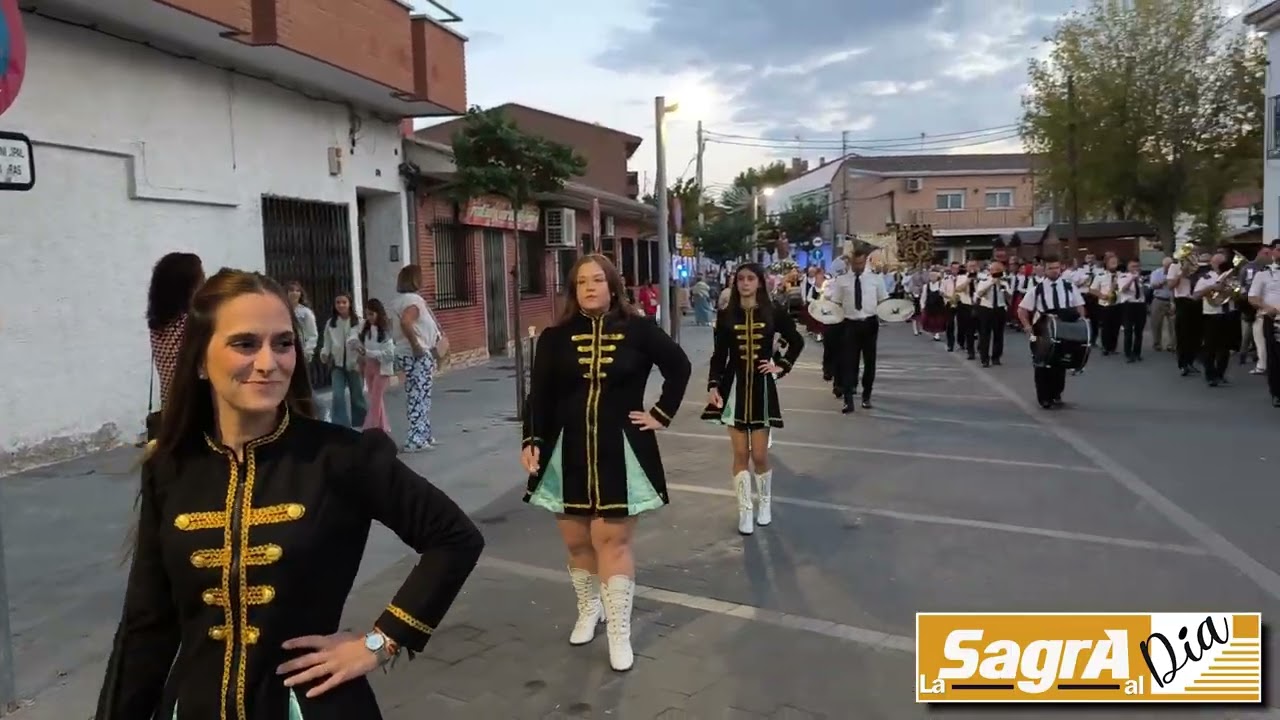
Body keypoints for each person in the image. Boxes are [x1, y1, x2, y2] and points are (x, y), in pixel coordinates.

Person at [96, 269, 484, 719]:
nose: (269, 362)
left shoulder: (339, 457)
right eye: (245, 344)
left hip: (306, 707)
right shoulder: (171, 465)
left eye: (283, 344)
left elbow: (453, 537)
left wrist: (380, 641)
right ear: (201, 360)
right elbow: (146, 624)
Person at [520, 254, 692, 673]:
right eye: (582, 283)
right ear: (574, 290)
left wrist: (661, 414)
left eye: (598, 280)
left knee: (611, 542)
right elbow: (539, 394)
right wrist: (531, 438)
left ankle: (619, 630)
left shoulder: (640, 330)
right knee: (577, 542)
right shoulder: (555, 337)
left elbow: (679, 366)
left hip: (622, 450)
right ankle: (589, 608)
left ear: (613, 285)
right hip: (567, 450)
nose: (590, 288)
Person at [702, 263, 805, 536]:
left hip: (761, 387)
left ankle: (765, 504)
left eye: (750, 278)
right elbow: (718, 356)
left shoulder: (773, 312)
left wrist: (780, 366)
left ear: (759, 282)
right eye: (741, 279)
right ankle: (745, 510)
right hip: (734, 388)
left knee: (759, 455)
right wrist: (713, 385)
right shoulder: (725, 316)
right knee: (740, 454)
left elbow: (796, 341)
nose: (745, 283)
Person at [146, 252, 205, 441]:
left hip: (170, 405)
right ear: (187, 286)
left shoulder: (159, 324)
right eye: (201, 279)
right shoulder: (190, 323)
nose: (205, 284)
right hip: (194, 406)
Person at [1017, 257, 1087, 409]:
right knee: (1041, 363)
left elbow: (1079, 305)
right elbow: (1022, 310)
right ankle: (1044, 397)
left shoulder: (1069, 286)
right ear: (1044, 270)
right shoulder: (1038, 288)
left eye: (1057, 267)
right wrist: (1028, 328)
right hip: (1043, 328)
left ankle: (1056, 394)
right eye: (1051, 268)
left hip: (1064, 327)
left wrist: (1081, 324)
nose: (1054, 271)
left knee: (1060, 362)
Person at [824, 250, 887, 412]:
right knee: (848, 362)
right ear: (851, 262)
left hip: (870, 323)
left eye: (860, 263)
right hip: (849, 324)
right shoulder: (842, 280)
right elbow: (836, 303)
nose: (858, 266)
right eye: (855, 263)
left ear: (865, 261)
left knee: (869, 362)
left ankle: (866, 396)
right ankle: (848, 400)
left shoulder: (875, 279)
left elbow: (883, 301)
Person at [388, 266, 443, 452]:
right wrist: (416, 346)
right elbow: (406, 322)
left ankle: (424, 433)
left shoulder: (399, 301)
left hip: (406, 352)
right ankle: (416, 439)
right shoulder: (413, 301)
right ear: (415, 279)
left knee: (420, 393)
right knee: (418, 395)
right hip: (416, 354)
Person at [319, 292, 366, 428]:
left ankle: (360, 424)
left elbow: (364, 342)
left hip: (354, 364)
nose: (341, 305)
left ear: (349, 304)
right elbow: (327, 343)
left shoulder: (359, 322)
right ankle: (340, 426)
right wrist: (324, 353)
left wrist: (361, 352)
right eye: (338, 302)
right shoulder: (331, 323)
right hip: (337, 365)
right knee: (338, 396)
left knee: (357, 396)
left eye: (344, 302)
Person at [1247, 240, 1280, 406]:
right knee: (1275, 357)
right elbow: (1252, 297)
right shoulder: (1263, 274)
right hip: (1273, 319)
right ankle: (1277, 392)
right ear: (1273, 252)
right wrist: (1268, 307)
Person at [975, 261, 1010, 367]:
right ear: (991, 271)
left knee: (998, 334)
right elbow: (979, 293)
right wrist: (991, 283)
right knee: (985, 334)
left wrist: (1002, 287)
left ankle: (996, 357)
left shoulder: (1004, 282)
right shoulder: (984, 280)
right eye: (995, 270)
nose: (997, 273)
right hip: (986, 308)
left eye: (1000, 271)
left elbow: (1009, 296)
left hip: (999, 308)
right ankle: (984, 359)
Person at [1117, 259, 1147, 362]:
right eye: (1133, 266)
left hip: (1140, 304)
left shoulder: (1141, 278)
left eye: (1137, 266)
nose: (1136, 268)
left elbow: (1146, 290)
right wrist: (1132, 279)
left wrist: (1140, 279)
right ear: (1128, 267)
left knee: (1139, 331)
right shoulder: (1123, 276)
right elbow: (1123, 290)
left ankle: (1137, 353)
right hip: (1128, 305)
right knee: (1128, 330)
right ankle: (1128, 353)